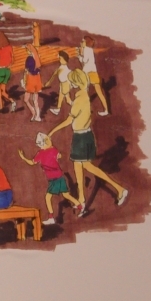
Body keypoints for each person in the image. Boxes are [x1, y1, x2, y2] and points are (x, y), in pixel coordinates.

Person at [48, 70, 127, 215]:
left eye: (71, 81)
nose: (70, 83)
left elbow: (69, 120)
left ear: (75, 82)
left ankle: (119, 189)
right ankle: (82, 201)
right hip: (85, 136)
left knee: (86, 167)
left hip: (81, 138)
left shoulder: (80, 99)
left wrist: (52, 131)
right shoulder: (83, 95)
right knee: (79, 168)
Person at [17, 131, 77, 225]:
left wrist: (23, 158)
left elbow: (32, 162)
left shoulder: (45, 152)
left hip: (55, 179)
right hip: (59, 177)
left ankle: (51, 218)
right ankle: (79, 205)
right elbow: (59, 156)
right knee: (66, 195)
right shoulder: (49, 151)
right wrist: (24, 158)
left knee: (48, 197)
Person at [80, 37, 110, 115]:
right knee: (99, 92)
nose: (81, 42)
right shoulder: (90, 50)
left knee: (84, 91)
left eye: (83, 41)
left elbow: (84, 60)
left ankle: (86, 110)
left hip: (87, 73)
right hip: (93, 72)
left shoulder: (86, 50)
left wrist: (80, 56)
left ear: (86, 42)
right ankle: (106, 110)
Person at [21, 46, 44, 122]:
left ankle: (33, 112)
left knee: (26, 99)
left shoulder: (29, 59)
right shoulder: (37, 58)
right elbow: (38, 71)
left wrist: (24, 81)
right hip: (37, 79)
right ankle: (37, 116)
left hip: (30, 79)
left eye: (27, 50)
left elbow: (26, 71)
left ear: (29, 51)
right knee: (35, 101)